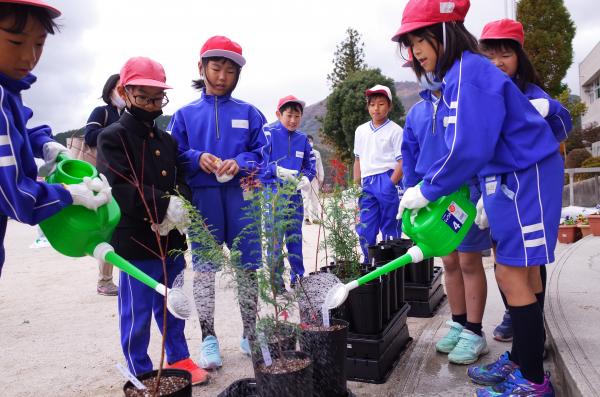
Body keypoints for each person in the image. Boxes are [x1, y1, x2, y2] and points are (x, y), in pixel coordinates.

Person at [393, 0, 561, 395]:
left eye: (422, 37)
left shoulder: (469, 74)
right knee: (517, 269)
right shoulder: (459, 75)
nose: (416, 49)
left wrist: (427, 189)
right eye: (410, 42)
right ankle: (524, 356)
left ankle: (534, 381)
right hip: (508, 176)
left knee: (511, 272)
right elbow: (475, 146)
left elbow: (468, 146)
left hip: (525, 174)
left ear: (447, 32)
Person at [96, 56, 208, 385]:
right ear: (126, 93)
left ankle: (179, 358)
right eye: (143, 97)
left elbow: (181, 177)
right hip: (135, 243)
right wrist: (161, 207)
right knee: (138, 313)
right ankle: (139, 368)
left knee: (173, 305)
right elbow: (117, 186)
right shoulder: (111, 137)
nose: (151, 104)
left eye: (157, 98)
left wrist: (180, 205)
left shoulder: (167, 140)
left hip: (171, 241)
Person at [168, 36, 268, 369]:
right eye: (216, 67)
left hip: (243, 198)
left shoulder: (250, 113)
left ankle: (250, 333)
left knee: (248, 267)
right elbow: (173, 155)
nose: (223, 76)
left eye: (230, 70)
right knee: (205, 270)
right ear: (202, 67)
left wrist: (240, 162)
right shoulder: (184, 115)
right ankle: (209, 338)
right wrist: (198, 158)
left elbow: (261, 154)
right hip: (204, 199)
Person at [0, 0, 111, 278]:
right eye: (15, 42)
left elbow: (17, 131)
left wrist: (44, 143)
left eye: (39, 44)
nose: (29, 57)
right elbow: (16, 198)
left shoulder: (9, 90)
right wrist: (69, 194)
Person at [478, 18, 572, 343]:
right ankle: (520, 326)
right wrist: (483, 194)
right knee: (504, 263)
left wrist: (546, 111)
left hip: (527, 194)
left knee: (527, 263)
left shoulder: (532, 94)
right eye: (489, 55)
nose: (497, 63)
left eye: (505, 54)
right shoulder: (485, 97)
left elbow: (562, 124)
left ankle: (531, 338)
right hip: (498, 196)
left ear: (519, 56)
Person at [401, 62, 490, 364]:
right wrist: (410, 194)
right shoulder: (416, 113)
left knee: (468, 260)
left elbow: (478, 147)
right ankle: (459, 321)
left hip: (464, 195)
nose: (425, 71)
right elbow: (410, 158)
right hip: (432, 197)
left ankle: (475, 331)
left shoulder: (463, 103)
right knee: (449, 261)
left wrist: (482, 193)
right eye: (417, 68)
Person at [262, 95, 316, 290]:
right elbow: (258, 164)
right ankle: (276, 283)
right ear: (278, 114)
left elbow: (310, 166)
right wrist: (274, 171)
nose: (293, 120)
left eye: (297, 116)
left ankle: (298, 278)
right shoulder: (268, 133)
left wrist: (306, 179)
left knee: (295, 238)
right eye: (289, 115)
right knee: (275, 241)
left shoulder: (303, 139)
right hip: (274, 195)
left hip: (294, 197)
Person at [353, 84, 403, 264]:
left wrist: (390, 184)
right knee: (365, 227)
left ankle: (390, 268)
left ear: (389, 106)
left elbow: (402, 161)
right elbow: (357, 159)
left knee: (390, 227)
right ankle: (370, 263)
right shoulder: (361, 131)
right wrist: (355, 185)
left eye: (381, 104)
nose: (376, 108)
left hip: (387, 178)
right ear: (368, 107)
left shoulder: (396, 130)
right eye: (372, 104)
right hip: (367, 182)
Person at [85, 73, 124, 296]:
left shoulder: (129, 113)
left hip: (128, 177)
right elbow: (90, 136)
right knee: (110, 228)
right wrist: (120, 129)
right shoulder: (102, 112)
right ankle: (105, 280)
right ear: (110, 91)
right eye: (120, 88)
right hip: (105, 179)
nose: (123, 93)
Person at [301, 135, 324, 224]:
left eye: (311, 141)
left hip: (315, 178)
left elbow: (320, 165)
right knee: (305, 198)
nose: (309, 142)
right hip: (305, 178)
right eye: (308, 141)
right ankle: (306, 217)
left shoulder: (316, 153)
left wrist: (321, 177)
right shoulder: (301, 152)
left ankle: (315, 217)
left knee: (315, 198)